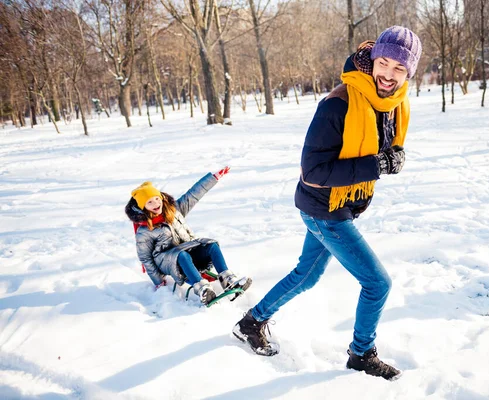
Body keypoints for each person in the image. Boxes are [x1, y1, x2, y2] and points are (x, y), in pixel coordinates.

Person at [232, 26, 422, 380]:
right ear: (372, 60)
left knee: (306, 275)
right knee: (377, 284)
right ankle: (361, 354)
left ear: (409, 72)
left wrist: (394, 157)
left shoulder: (393, 105)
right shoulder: (338, 104)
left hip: (341, 206)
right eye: (384, 63)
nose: (389, 75)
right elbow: (313, 170)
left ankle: (251, 322)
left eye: (400, 69)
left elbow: (380, 146)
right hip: (324, 210)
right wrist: (377, 165)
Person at [125, 167, 251, 305]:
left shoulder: (174, 210)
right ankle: (202, 289)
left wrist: (213, 178)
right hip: (166, 262)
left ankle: (228, 279)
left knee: (211, 245)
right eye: (150, 202)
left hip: (187, 251)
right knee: (181, 255)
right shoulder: (144, 230)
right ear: (143, 207)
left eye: (156, 198)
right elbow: (146, 258)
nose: (156, 203)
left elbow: (193, 194)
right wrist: (158, 282)